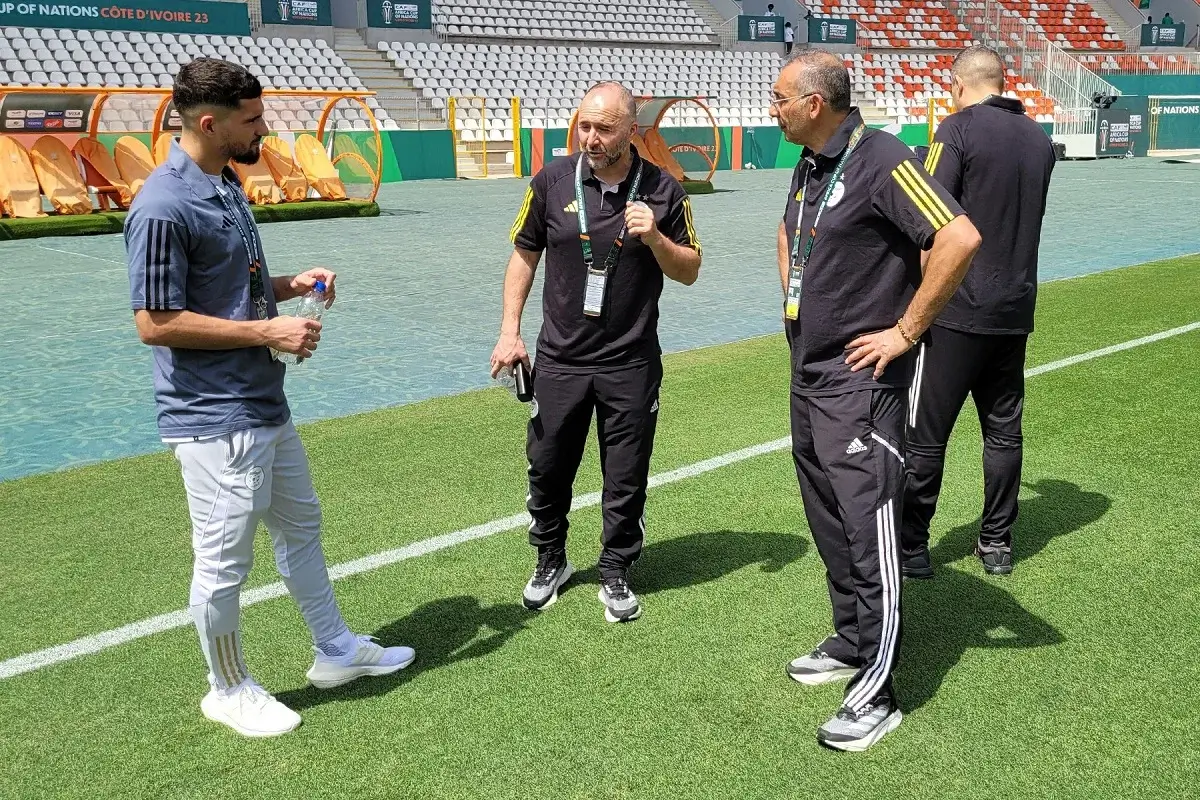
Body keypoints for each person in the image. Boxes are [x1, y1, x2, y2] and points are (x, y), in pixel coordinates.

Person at [124, 57, 415, 738]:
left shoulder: (224, 181)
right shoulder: (163, 204)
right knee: (224, 561)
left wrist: (288, 284)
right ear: (209, 122)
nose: (264, 130)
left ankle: (335, 651)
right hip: (214, 416)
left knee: (302, 527)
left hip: (261, 402)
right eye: (251, 120)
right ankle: (225, 687)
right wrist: (267, 329)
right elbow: (154, 322)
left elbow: (224, 285)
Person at [768, 50, 981, 750]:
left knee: (870, 527)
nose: (772, 109)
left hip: (864, 386)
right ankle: (855, 640)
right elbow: (788, 233)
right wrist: (792, 301)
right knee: (828, 517)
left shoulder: (884, 158)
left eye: (779, 99)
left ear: (815, 104)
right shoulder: (811, 163)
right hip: (811, 373)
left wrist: (904, 330)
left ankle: (879, 692)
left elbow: (958, 236)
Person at [490, 81, 702, 624]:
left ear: (631, 130)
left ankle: (616, 569)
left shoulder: (664, 189)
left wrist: (656, 239)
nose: (591, 137)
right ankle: (551, 559)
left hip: (630, 361)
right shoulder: (552, 180)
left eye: (604, 128)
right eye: (585, 125)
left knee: (625, 473)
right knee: (547, 466)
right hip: (559, 359)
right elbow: (523, 257)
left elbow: (690, 270)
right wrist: (509, 332)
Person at [900, 46, 1056, 579]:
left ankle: (912, 546)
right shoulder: (1039, 138)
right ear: (1002, 80)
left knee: (925, 433)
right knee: (1004, 432)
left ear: (958, 83)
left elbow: (932, 215)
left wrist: (917, 297)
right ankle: (995, 543)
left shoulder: (956, 130)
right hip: (1015, 307)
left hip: (956, 310)